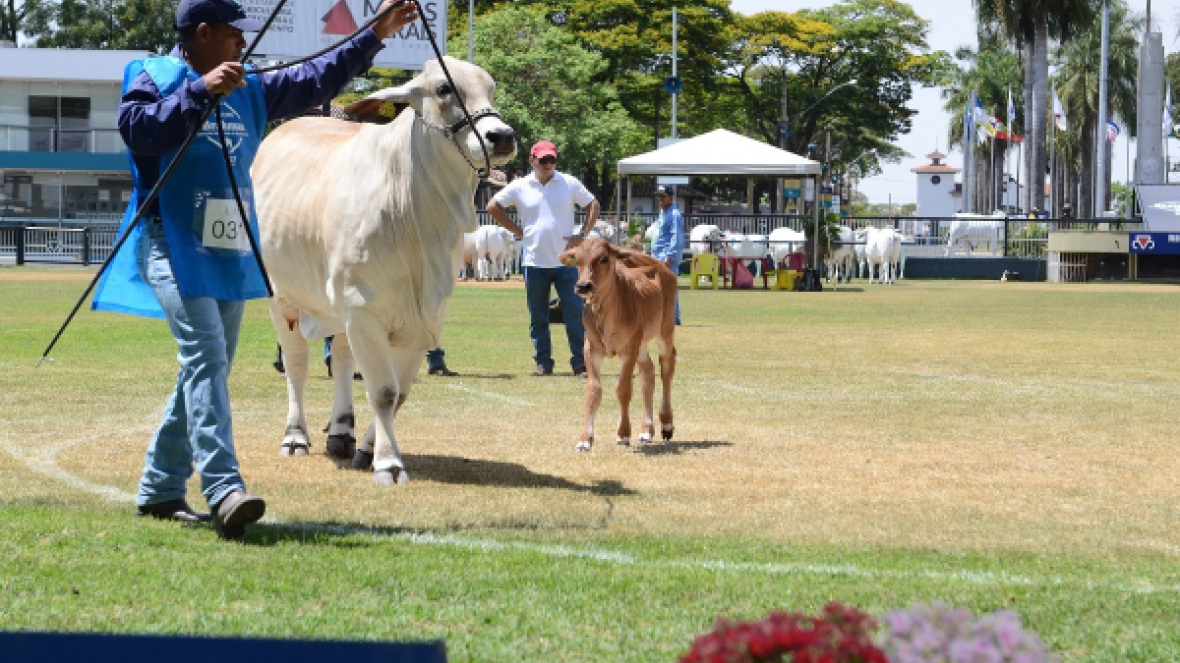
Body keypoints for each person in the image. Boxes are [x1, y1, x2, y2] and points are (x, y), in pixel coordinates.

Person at [91, 0, 420, 539]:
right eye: (231, 34)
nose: (242, 44)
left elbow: (318, 76)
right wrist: (199, 92)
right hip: (170, 240)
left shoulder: (251, 85)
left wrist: (376, 32)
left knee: (207, 366)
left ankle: (158, 487)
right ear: (202, 33)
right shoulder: (150, 73)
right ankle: (224, 489)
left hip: (227, 248)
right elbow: (138, 129)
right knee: (205, 355)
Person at [487, 140, 600, 377]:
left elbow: (593, 205)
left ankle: (580, 364)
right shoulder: (520, 185)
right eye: (543, 160)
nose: (548, 164)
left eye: (552, 159)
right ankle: (543, 363)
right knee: (538, 317)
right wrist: (517, 231)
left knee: (575, 315)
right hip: (533, 262)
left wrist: (582, 234)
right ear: (532, 160)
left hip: (566, 263)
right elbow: (493, 206)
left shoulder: (568, 182)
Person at [650, 185, 684, 325]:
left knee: (669, 288)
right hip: (656, 257)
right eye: (659, 196)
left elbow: (677, 238)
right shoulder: (663, 213)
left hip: (666, 258)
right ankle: (661, 318)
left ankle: (673, 318)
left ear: (671, 197)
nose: (660, 199)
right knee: (657, 288)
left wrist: (669, 257)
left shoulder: (675, 214)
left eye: (663, 196)